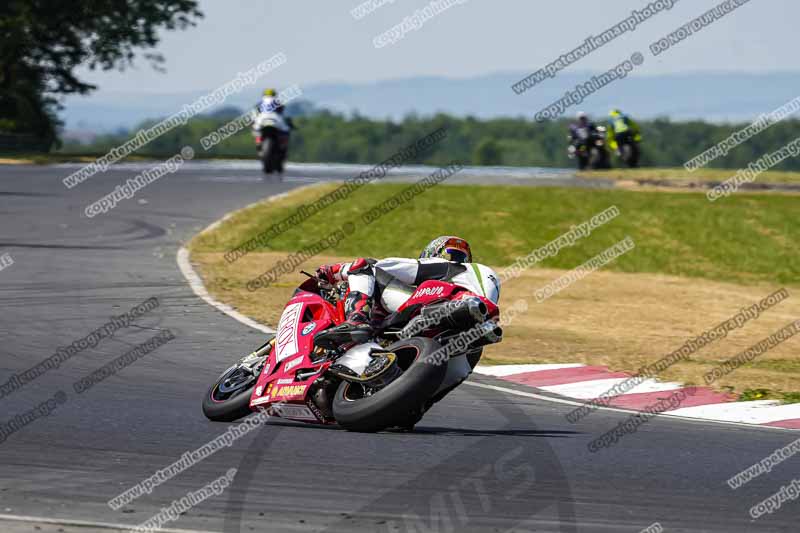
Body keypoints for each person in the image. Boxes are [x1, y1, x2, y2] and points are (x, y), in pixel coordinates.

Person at [313, 236, 473, 345]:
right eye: (452, 254)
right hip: (450, 325)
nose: (453, 259)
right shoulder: (470, 278)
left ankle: (357, 318)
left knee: (363, 265)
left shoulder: (440, 265)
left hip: (425, 307)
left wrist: (333, 271)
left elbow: (375, 265)